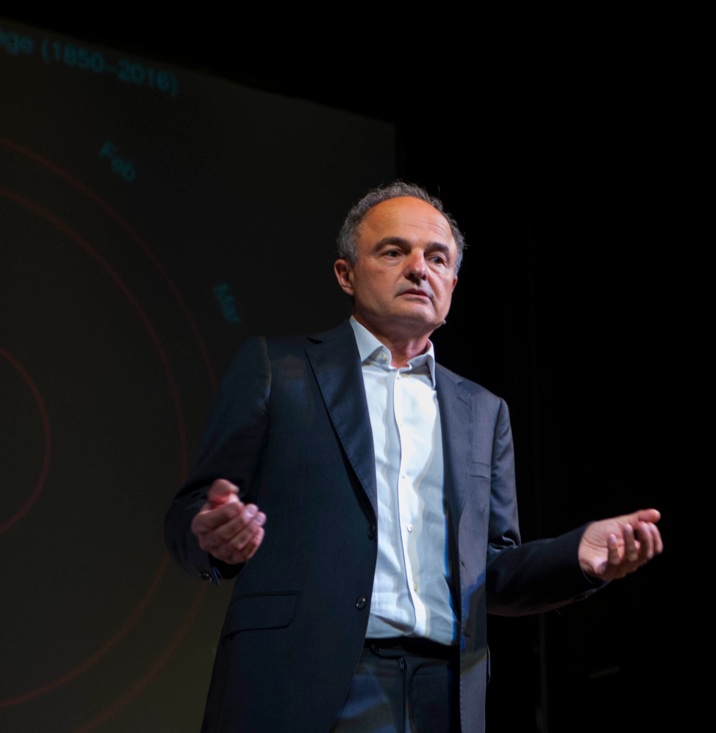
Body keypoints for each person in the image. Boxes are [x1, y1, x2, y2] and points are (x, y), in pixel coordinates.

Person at [163, 180, 664, 732]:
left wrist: (576, 556)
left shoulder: (483, 410)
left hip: (444, 691)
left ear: (452, 281)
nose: (419, 268)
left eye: (437, 257)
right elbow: (189, 515)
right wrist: (211, 532)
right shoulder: (279, 370)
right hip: (303, 680)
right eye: (394, 251)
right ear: (346, 274)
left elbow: (491, 570)